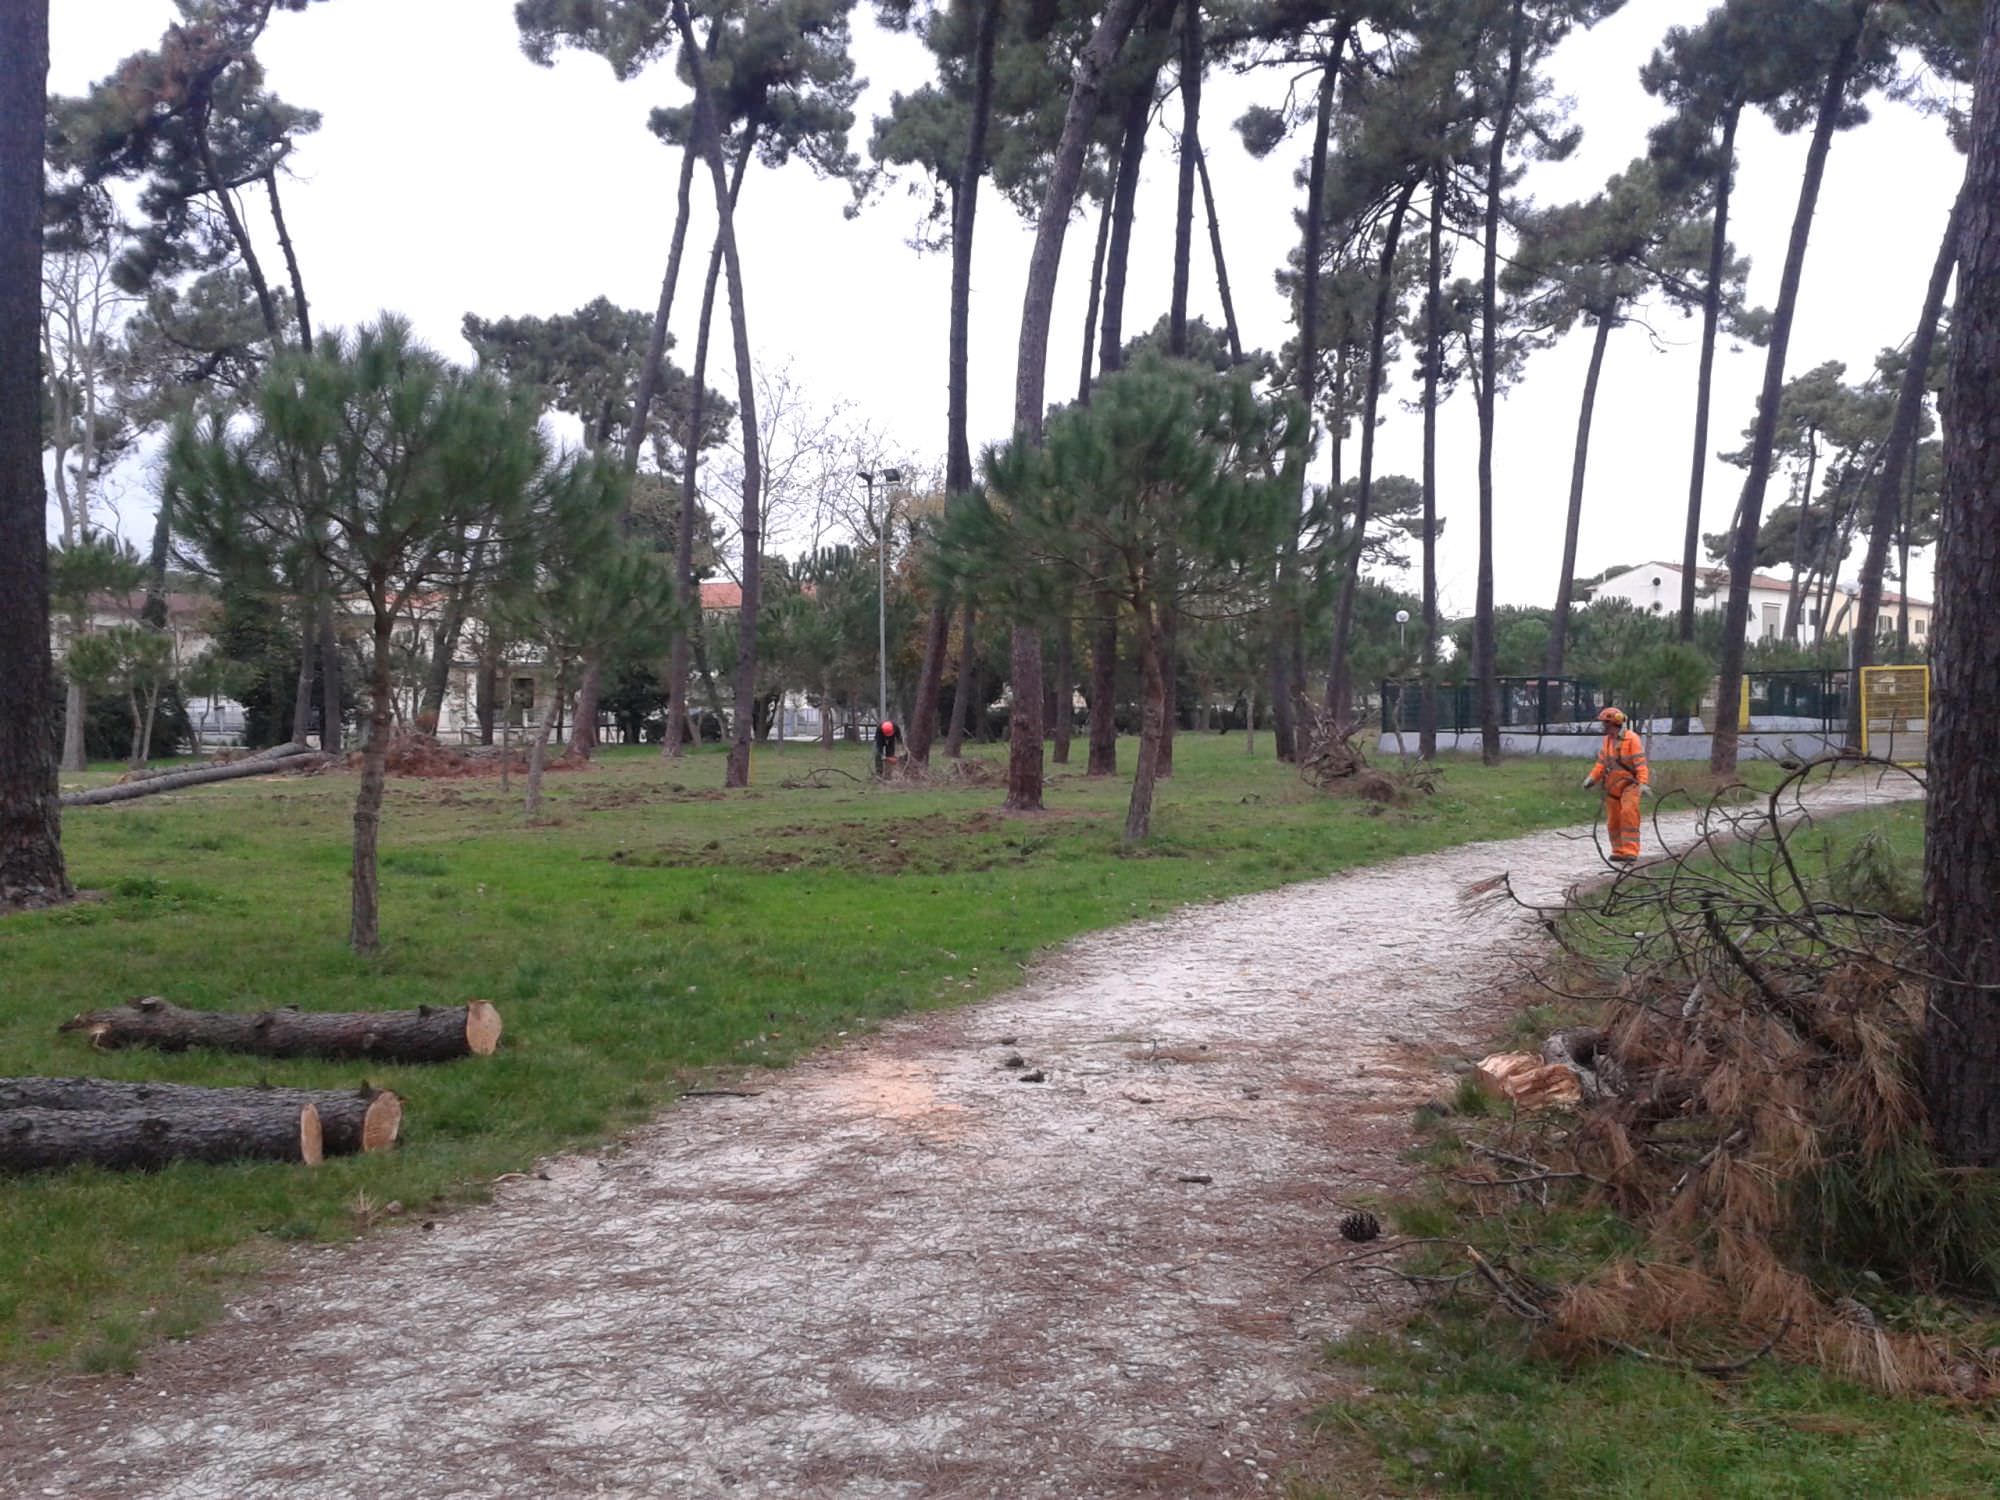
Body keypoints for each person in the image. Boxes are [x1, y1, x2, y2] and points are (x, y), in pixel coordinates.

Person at [1583, 706, 1650, 862]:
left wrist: (1643, 783)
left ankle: (1630, 851)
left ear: (1613, 723)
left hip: (1630, 785)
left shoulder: (1632, 739)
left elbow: (1641, 765)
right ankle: (1618, 850)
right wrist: (1592, 779)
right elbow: (1601, 764)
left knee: (1628, 814)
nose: (1603, 726)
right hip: (1612, 786)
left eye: (1605, 723)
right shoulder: (1607, 741)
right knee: (1613, 820)